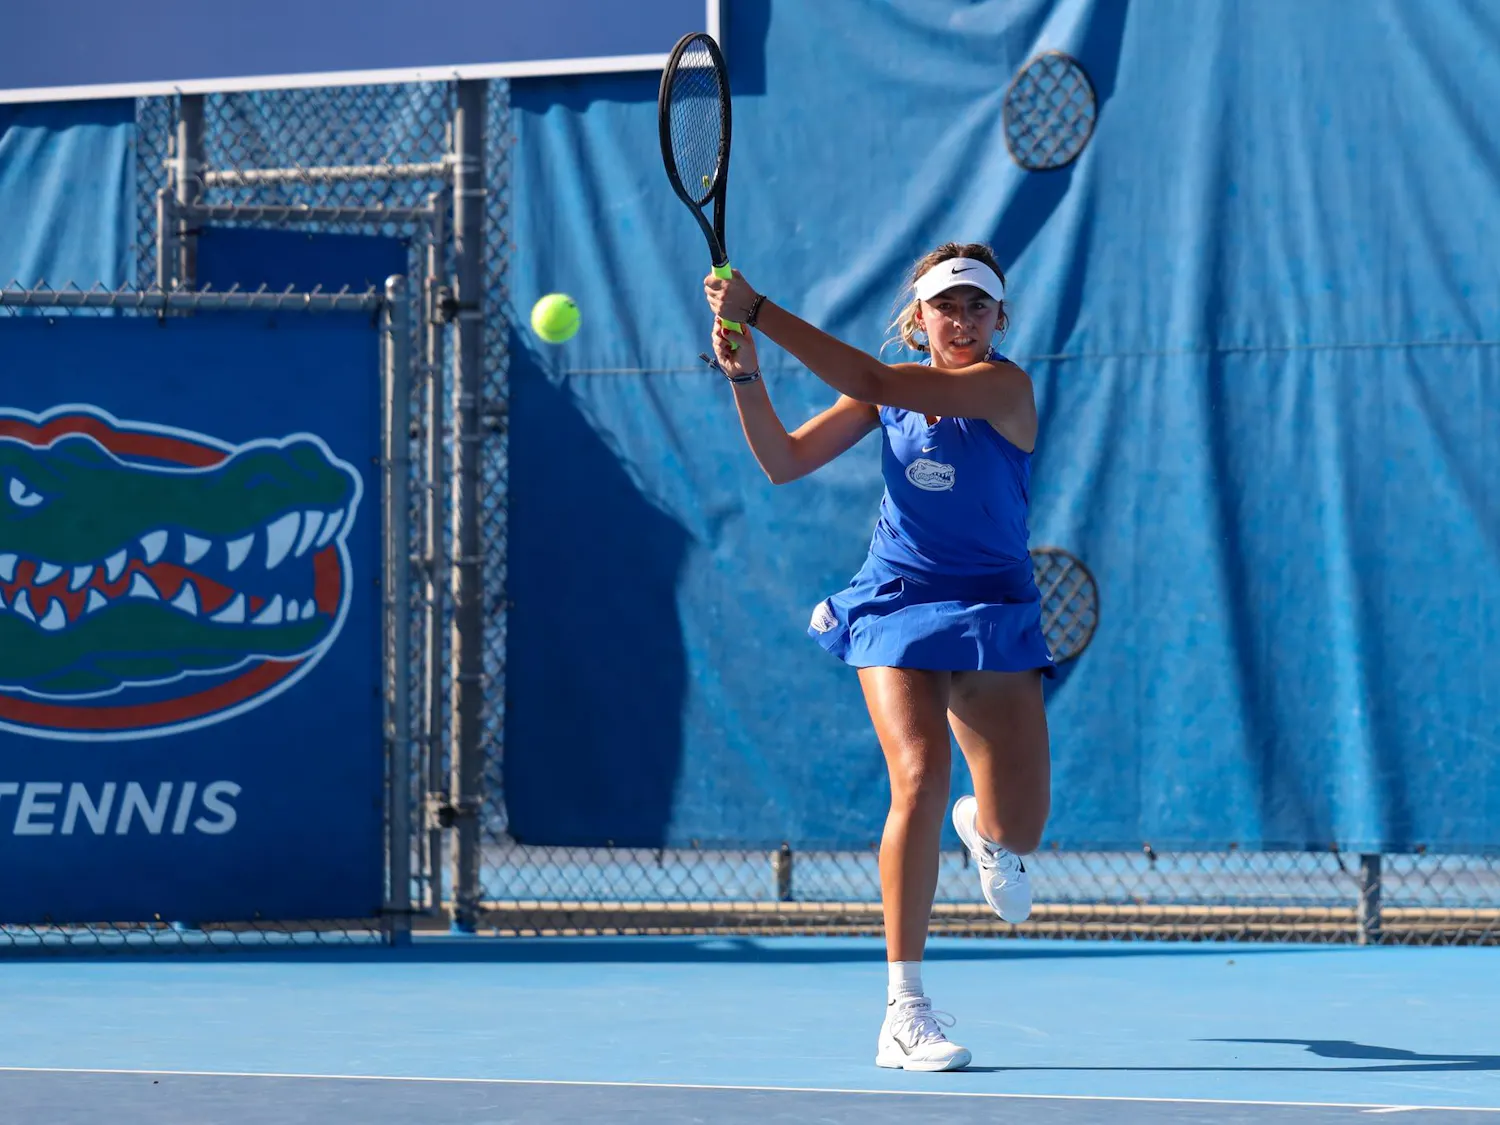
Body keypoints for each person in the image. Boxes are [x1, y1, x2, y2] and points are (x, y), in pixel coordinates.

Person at [701, 243, 1054, 1072]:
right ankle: (905, 1010)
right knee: (921, 775)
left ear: (1000, 319)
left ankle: (988, 834)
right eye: (945, 306)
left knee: (1022, 823)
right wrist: (745, 374)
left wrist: (760, 309)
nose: (961, 321)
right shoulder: (885, 396)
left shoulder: (1006, 388)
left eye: (977, 307)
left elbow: (885, 382)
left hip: (992, 608)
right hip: (895, 602)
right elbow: (784, 461)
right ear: (918, 318)